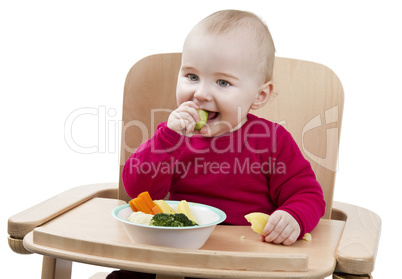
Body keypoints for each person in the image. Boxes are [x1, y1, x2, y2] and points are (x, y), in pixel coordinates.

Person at [108, 9, 325, 279]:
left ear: (259, 95)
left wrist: (293, 216)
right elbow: (139, 191)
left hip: (243, 261)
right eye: (191, 76)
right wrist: (166, 139)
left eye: (222, 82)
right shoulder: (173, 138)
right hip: (175, 253)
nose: (200, 93)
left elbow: (308, 195)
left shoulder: (271, 140)